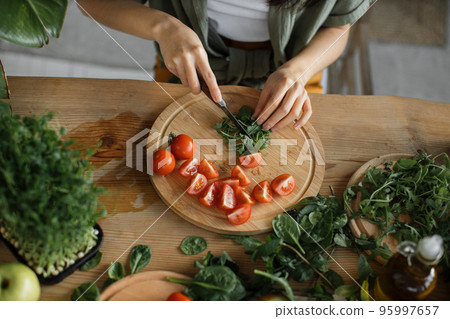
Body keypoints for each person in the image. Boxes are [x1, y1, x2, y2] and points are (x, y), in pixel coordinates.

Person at [77, 0, 371, 131]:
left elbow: (338, 27)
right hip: (185, 70)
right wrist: (163, 27)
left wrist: (299, 71)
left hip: (298, 75)